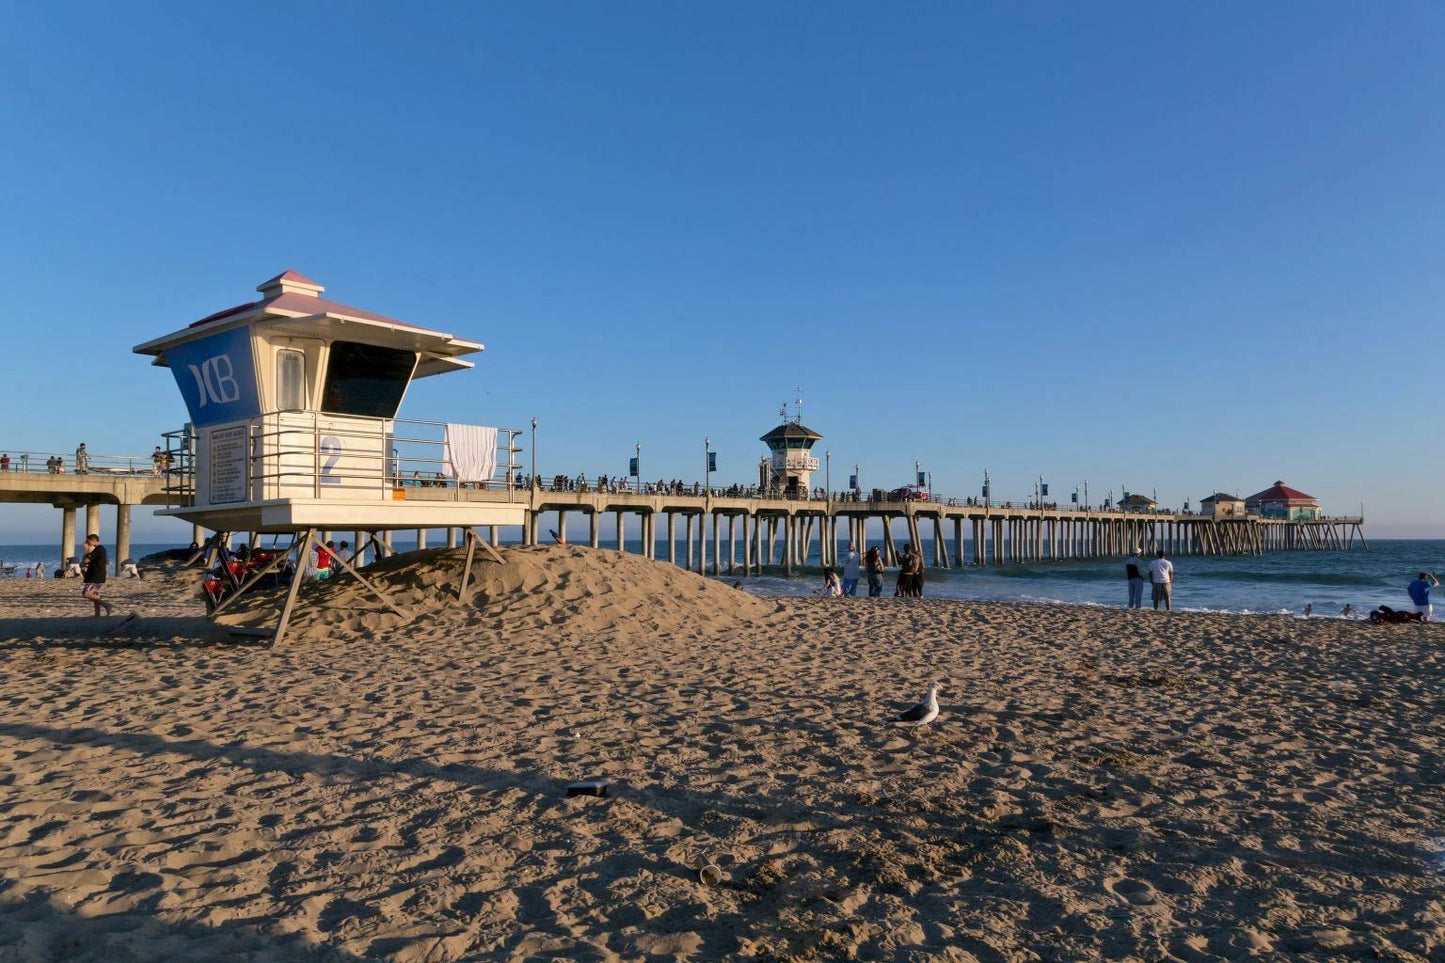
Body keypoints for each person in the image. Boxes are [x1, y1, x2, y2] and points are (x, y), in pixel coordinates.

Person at [81, 534, 114, 616]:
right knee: (95, 595)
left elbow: (86, 560)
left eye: (88, 541)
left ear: (94, 540)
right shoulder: (99, 549)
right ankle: (97, 614)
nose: (87, 543)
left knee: (86, 594)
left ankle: (107, 605)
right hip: (98, 573)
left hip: (96, 574)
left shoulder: (99, 549)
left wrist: (85, 549)